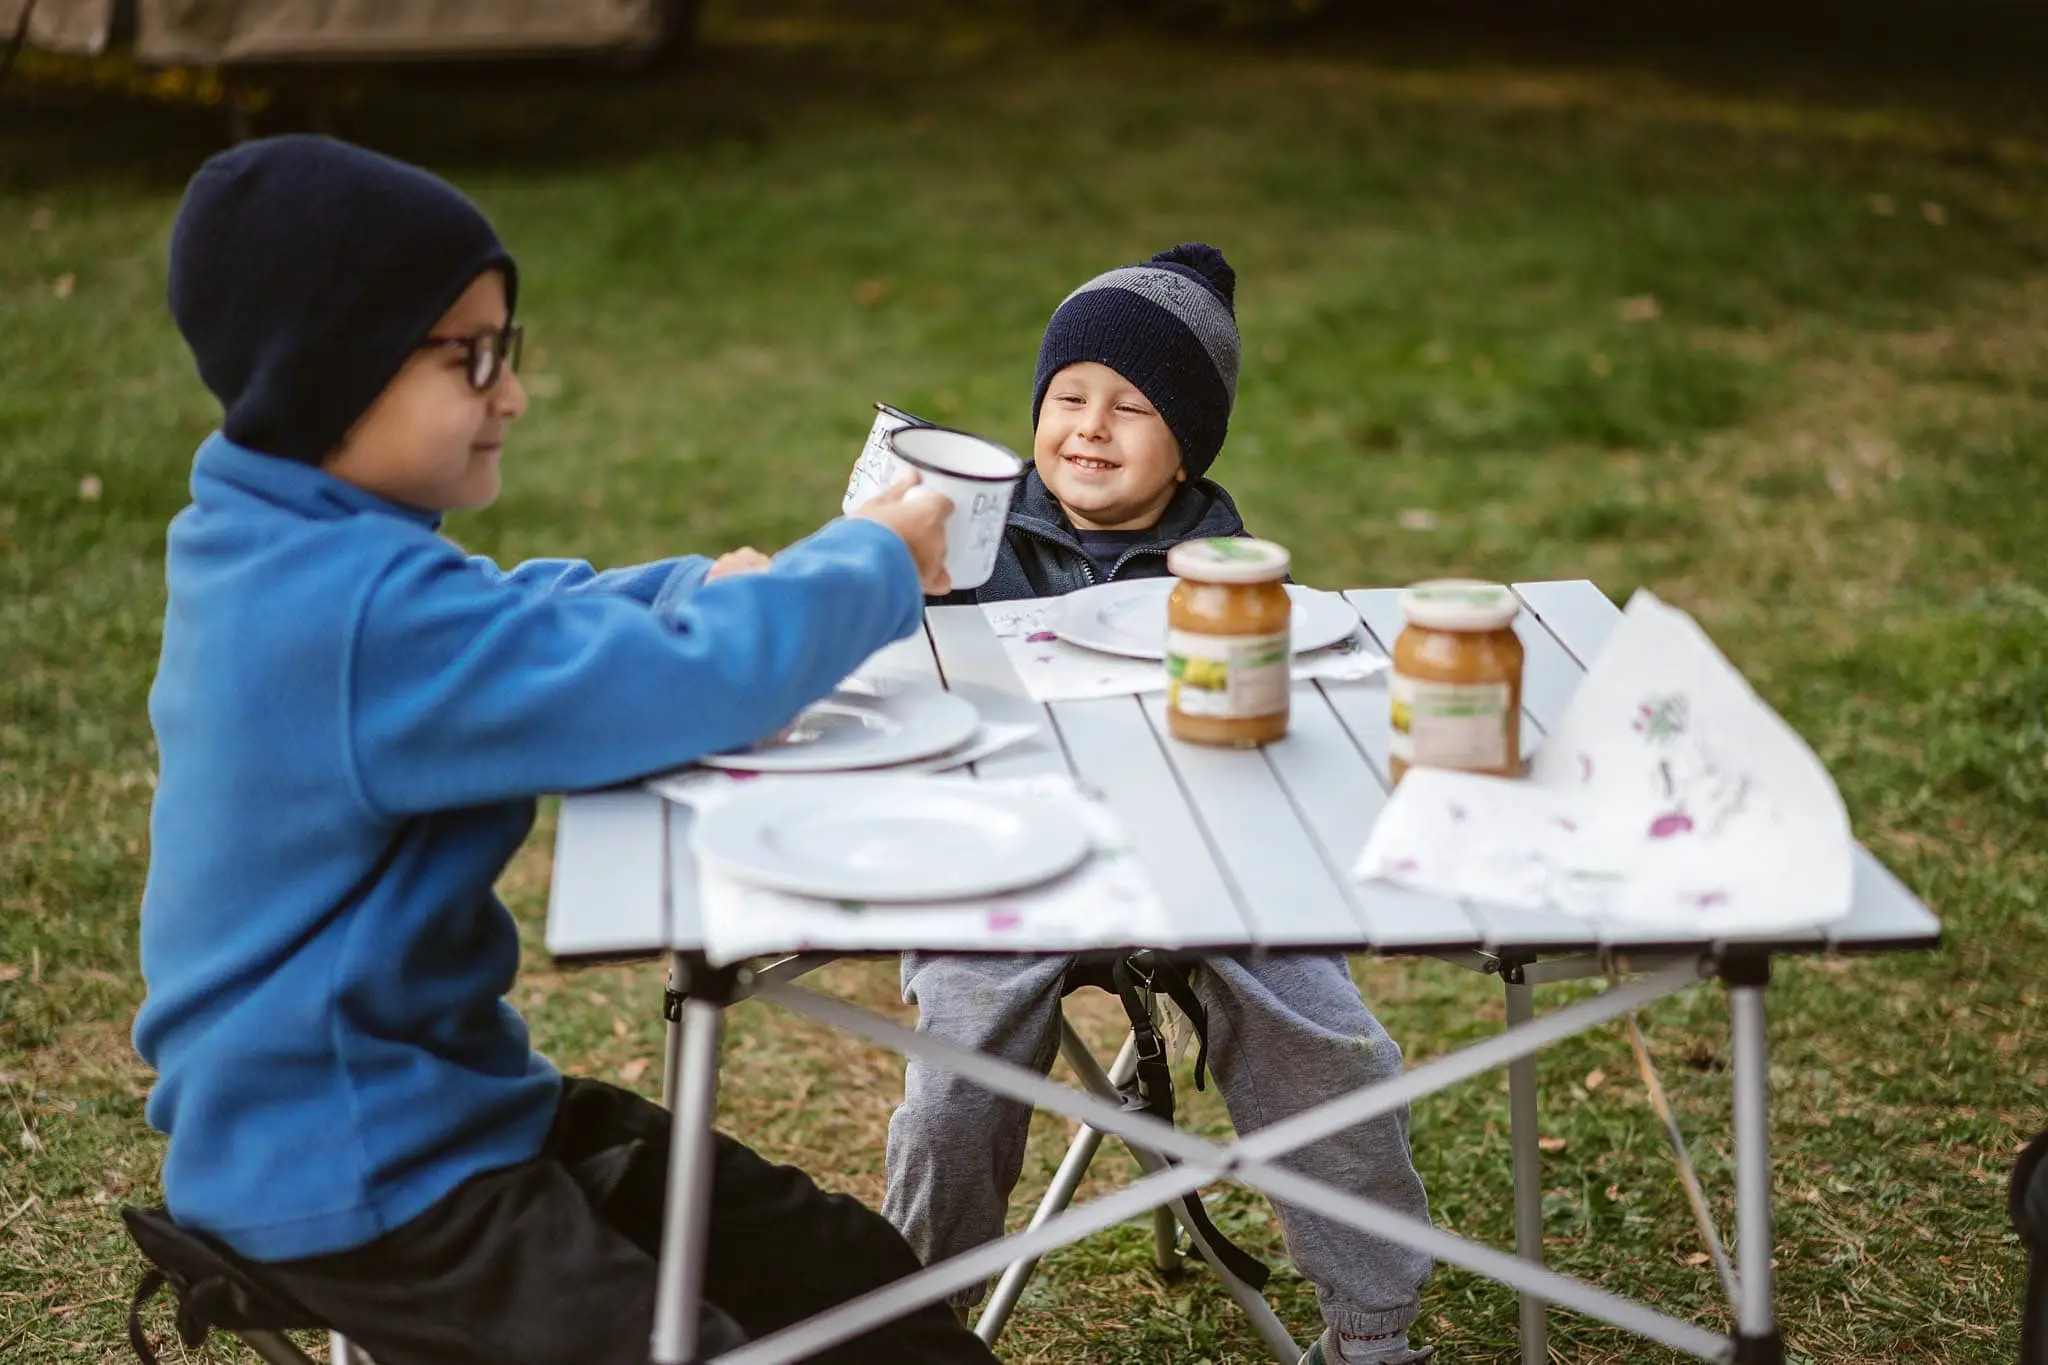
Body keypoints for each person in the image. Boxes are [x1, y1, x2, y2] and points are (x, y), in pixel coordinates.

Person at [130, 134, 996, 1365]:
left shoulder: (288, 541)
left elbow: (518, 618)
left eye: (507, 351)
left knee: (841, 1274)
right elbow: (669, 690)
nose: (511, 392)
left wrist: (694, 582)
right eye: (468, 358)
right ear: (331, 370)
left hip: (443, 1112)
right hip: (358, 1173)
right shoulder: (349, 616)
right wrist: (864, 564)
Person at [888, 244, 1436, 1365]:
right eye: (1067, 397)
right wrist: (897, 577)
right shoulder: (966, 533)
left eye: (1130, 406)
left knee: (1327, 1045)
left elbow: (1285, 720)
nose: (1088, 426)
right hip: (1006, 860)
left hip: (1207, 862)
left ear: (1188, 442)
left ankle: (1371, 1330)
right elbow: (890, 688)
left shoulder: (1230, 572)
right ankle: (903, 1324)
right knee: (956, 1076)